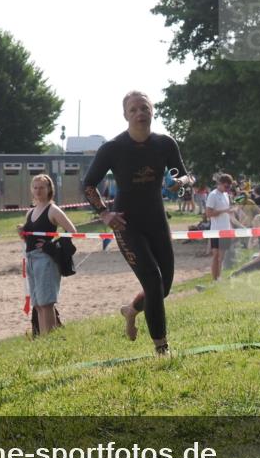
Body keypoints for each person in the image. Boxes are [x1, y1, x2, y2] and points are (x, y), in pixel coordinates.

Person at [82, 91, 192, 356]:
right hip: (126, 224)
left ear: (152, 111)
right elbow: (87, 184)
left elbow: (185, 176)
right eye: (133, 110)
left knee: (163, 288)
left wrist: (181, 182)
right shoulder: (113, 148)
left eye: (144, 108)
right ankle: (161, 347)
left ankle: (131, 311)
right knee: (152, 280)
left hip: (156, 220)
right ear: (125, 116)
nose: (139, 113)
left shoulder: (165, 144)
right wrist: (105, 214)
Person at [18, 174, 79, 338]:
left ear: (49, 189)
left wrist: (51, 246)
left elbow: (72, 231)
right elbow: (28, 238)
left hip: (46, 260)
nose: (38, 191)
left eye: (42, 187)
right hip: (31, 259)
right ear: (31, 189)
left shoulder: (53, 210)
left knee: (47, 303)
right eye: (35, 187)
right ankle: (45, 339)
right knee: (37, 304)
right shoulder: (30, 212)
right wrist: (22, 234)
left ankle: (50, 339)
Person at [206, 173, 236, 281]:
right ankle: (215, 279)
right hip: (216, 230)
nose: (228, 189)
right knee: (216, 256)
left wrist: (231, 227)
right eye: (226, 186)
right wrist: (225, 211)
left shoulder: (226, 195)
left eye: (229, 187)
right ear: (220, 184)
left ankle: (218, 278)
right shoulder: (213, 195)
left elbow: (227, 214)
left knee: (221, 257)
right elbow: (208, 213)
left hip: (226, 229)